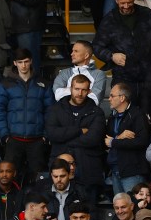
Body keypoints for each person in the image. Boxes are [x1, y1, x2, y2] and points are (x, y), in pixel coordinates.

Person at [93, 0, 151, 99]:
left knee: (149, 114)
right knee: (124, 115)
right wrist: (111, 56)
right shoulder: (109, 20)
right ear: (116, 0)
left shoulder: (147, 14)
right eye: (122, 3)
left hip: (149, 75)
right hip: (122, 77)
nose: (126, 6)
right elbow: (97, 46)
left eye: (129, 2)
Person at [44, 74, 106, 204]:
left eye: (84, 90)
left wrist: (64, 137)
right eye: (77, 89)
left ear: (89, 91)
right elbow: (52, 134)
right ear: (70, 88)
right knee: (58, 207)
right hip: (60, 169)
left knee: (88, 210)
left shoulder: (96, 112)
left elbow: (92, 139)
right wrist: (78, 131)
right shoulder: (56, 109)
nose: (80, 93)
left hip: (87, 169)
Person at [0, 48, 53, 176]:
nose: (23, 65)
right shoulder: (5, 84)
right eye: (20, 62)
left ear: (31, 61)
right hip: (13, 140)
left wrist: (45, 136)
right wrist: (5, 136)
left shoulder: (43, 83)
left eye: (26, 61)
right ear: (15, 63)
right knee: (11, 179)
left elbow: (50, 112)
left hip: (37, 140)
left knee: (38, 180)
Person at [105, 82, 150, 195]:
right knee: (121, 208)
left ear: (122, 98)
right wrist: (119, 138)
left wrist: (114, 142)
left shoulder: (137, 114)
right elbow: (107, 141)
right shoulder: (112, 116)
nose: (109, 99)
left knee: (135, 206)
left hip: (132, 171)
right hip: (115, 170)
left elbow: (142, 141)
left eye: (112, 96)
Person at [53, 40, 107, 105]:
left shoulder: (99, 74)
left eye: (76, 51)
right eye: (72, 51)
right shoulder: (64, 73)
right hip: (66, 113)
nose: (72, 54)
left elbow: (95, 100)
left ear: (86, 55)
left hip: (89, 114)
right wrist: (85, 92)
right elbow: (58, 95)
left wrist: (67, 90)